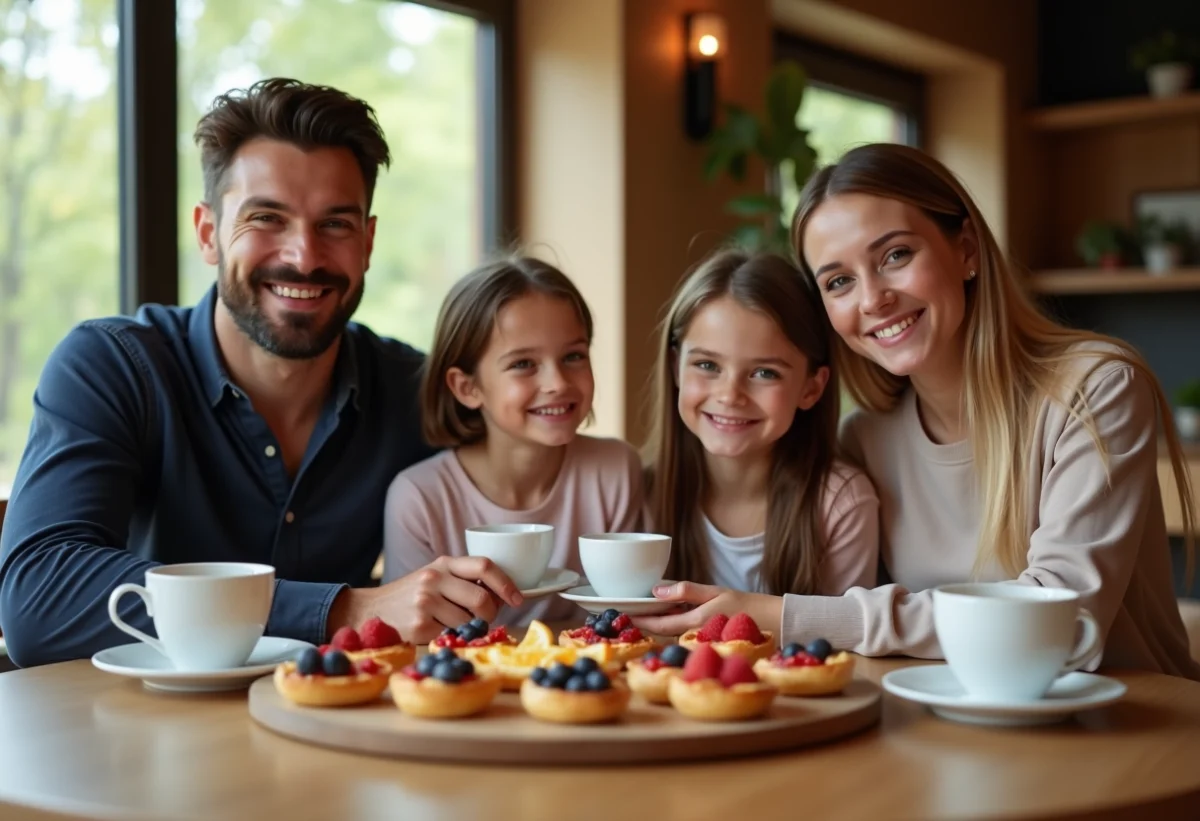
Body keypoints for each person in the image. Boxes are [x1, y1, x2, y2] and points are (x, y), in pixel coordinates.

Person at [0, 78, 521, 667]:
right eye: (267, 218)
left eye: (335, 224)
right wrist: (342, 610)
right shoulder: (113, 366)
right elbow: (38, 597)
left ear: (368, 242)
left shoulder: (413, 390)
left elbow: (527, 495)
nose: (304, 256)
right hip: (146, 720)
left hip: (344, 714)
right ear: (209, 234)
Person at [783, 142, 1196, 678]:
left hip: (1128, 718)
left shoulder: (1097, 389)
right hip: (951, 714)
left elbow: (1059, 623)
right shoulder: (864, 438)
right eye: (839, 281)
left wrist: (791, 617)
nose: (872, 299)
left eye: (895, 256)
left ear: (967, 250)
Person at [382, 256, 643, 627]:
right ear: (467, 387)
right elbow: (409, 633)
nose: (558, 383)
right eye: (523, 364)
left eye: (573, 356)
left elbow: (630, 620)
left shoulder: (615, 470)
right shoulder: (419, 498)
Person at [635, 249, 879, 637]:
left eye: (765, 373)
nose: (730, 395)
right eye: (707, 365)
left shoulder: (840, 504)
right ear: (676, 367)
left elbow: (843, 642)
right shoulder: (640, 493)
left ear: (811, 388)